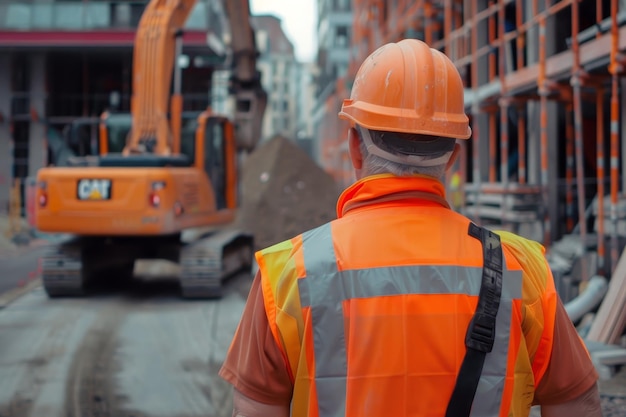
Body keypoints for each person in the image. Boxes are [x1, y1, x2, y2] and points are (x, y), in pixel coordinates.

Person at [219, 39, 601, 417]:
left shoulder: (288, 274)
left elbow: (256, 407)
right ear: (453, 156)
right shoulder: (521, 269)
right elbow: (576, 402)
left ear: (354, 146)